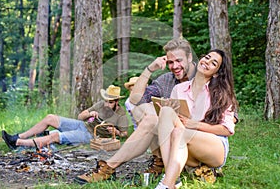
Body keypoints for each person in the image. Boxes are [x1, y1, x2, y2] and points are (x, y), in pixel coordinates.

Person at [74, 38, 198, 184]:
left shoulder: (204, 75)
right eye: (171, 62)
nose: (175, 66)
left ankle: (110, 168)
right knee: (144, 111)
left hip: (194, 136)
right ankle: (113, 167)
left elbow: (230, 115)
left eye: (179, 60)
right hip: (170, 136)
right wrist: (150, 69)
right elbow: (135, 99)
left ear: (189, 57)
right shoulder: (167, 80)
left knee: (154, 115)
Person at [155, 49, 238, 189]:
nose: (207, 62)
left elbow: (227, 130)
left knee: (179, 133)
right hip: (185, 143)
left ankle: (166, 184)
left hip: (214, 146)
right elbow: (175, 125)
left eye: (213, 63)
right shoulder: (179, 88)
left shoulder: (222, 93)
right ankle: (173, 180)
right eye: (207, 57)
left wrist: (194, 124)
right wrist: (168, 111)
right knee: (166, 113)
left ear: (216, 72)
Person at [2, 85, 129, 150]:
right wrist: (90, 114)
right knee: (50, 117)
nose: (107, 104)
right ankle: (19, 136)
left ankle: (16, 143)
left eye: (110, 102)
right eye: (106, 101)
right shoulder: (101, 104)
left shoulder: (121, 115)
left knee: (55, 136)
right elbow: (80, 116)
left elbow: (124, 134)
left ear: (117, 102)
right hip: (83, 125)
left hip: (91, 136)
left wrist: (116, 132)